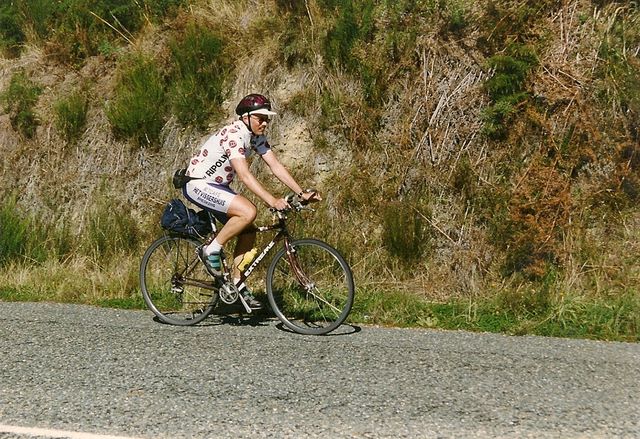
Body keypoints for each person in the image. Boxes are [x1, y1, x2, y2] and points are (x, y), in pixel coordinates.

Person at [182, 93, 321, 309]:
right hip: (198, 183)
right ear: (246, 117)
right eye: (260, 118)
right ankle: (211, 250)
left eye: (267, 119)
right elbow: (245, 176)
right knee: (248, 211)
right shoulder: (234, 135)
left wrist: (301, 193)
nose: (265, 123)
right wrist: (272, 200)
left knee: (248, 231)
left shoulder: (255, 137)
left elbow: (275, 166)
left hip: (218, 186)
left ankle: (237, 283)